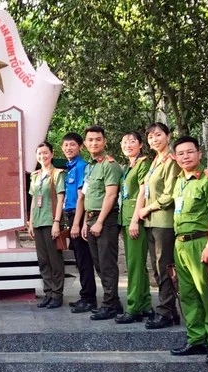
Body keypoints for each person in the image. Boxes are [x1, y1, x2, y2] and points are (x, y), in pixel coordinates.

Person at [170, 137, 208, 363]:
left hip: (200, 243)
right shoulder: (179, 180)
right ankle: (196, 338)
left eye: (190, 152)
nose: (185, 157)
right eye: (181, 153)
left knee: (207, 295)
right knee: (188, 294)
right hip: (180, 243)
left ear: (199, 154)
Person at [73, 126, 122, 320]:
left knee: (107, 264)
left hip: (105, 219)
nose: (94, 143)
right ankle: (113, 302)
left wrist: (100, 221)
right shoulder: (91, 167)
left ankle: (110, 305)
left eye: (98, 139)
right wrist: (85, 222)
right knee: (99, 264)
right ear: (85, 144)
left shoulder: (109, 165)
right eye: (90, 140)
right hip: (91, 219)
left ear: (105, 141)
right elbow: (86, 196)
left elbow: (111, 195)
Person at [138, 122, 181, 329]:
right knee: (156, 267)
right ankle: (169, 310)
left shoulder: (172, 162)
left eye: (158, 135)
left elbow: (170, 195)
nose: (154, 139)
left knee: (164, 267)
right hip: (151, 222)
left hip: (163, 220)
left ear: (168, 136)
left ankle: (165, 312)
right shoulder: (155, 161)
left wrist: (147, 208)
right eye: (151, 137)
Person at [116, 131, 152, 324]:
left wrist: (135, 220)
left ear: (140, 144)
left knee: (134, 265)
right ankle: (145, 304)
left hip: (134, 220)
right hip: (126, 218)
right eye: (124, 142)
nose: (128, 144)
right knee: (137, 264)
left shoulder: (143, 163)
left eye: (132, 141)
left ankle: (133, 307)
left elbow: (143, 192)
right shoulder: (128, 167)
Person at [61, 133, 97, 313]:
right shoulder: (70, 167)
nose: (68, 148)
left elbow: (83, 198)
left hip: (79, 217)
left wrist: (78, 224)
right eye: (66, 145)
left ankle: (89, 298)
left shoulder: (82, 166)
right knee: (80, 260)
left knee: (84, 260)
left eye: (72, 145)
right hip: (71, 216)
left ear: (80, 147)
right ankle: (85, 295)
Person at [29, 142, 66, 309]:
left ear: (51, 154)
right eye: (39, 154)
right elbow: (33, 200)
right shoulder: (35, 176)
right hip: (37, 222)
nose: (42, 156)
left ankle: (57, 294)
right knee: (43, 260)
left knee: (54, 260)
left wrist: (56, 222)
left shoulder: (57, 174)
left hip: (50, 221)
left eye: (45, 153)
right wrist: (30, 222)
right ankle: (48, 292)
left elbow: (60, 199)